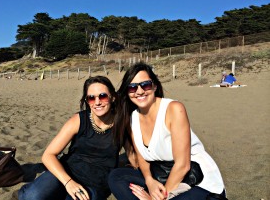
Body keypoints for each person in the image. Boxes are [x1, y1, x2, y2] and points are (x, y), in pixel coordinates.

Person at [108, 62, 226, 200]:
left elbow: (183, 165)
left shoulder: (173, 109)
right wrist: (149, 181)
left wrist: (160, 197)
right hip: (162, 173)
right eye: (132, 87)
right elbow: (141, 157)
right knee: (117, 177)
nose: (139, 91)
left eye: (145, 85)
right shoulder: (133, 117)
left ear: (155, 86)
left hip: (195, 178)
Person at [18, 76, 119, 200]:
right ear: (87, 101)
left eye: (102, 96)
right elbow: (48, 155)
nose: (97, 102)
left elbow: (134, 156)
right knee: (32, 197)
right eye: (91, 98)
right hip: (66, 172)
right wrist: (68, 182)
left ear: (113, 97)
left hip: (95, 183)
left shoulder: (122, 124)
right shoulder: (78, 120)